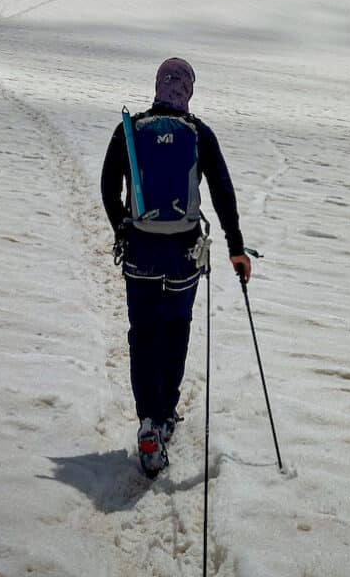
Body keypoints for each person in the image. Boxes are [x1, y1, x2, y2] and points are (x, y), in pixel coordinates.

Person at [101, 57, 250, 476]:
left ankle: (148, 419)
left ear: (157, 86)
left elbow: (108, 186)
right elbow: (222, 191)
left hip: (141, 253)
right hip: (184, 253)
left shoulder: (131, 131)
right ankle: (165, 414)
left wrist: (123, 228)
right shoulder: (198, 133)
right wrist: (235, 247)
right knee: (176, 328)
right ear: (187, 91)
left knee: (143, 333)